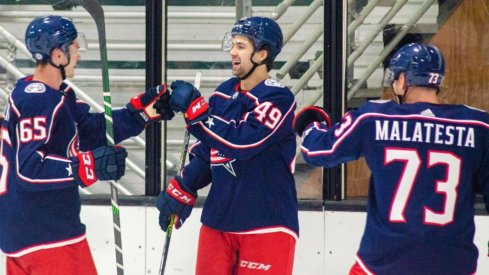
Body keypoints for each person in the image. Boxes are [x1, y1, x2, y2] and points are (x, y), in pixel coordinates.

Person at [293, 43, 489, 274]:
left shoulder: (375, 117)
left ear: (403, 79)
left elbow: (318, 152)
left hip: (384, 262)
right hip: (453, 264)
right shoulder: (478, 126)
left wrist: (310, 125)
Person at [0, 15, 173, 274]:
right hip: (46, 235)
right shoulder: (38, 100)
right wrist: (87, 166)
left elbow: (91, 131)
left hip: (34, 232)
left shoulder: (53, 94)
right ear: (58, 55)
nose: (78, 54)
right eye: (74, 47)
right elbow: (30, 168)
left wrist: (140, 114)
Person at [156, 16, 299, 274]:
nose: (233, 51)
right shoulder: (223, 94)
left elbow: (243, 143)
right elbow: (209, 152)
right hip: (218, 222)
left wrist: (197, 115)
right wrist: (183, 186)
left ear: (262, 53)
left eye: (241, 46)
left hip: (266, 224)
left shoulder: (278, 97)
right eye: (233, 44)